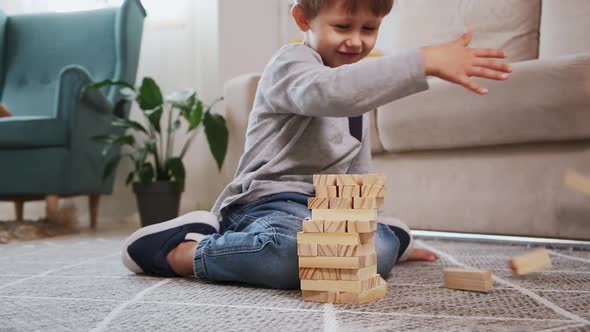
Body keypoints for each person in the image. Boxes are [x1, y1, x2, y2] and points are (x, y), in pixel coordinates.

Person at [121, 0, 511, 289]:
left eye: (369, 29)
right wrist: (421, 61)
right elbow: (329, 94)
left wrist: (366, 226)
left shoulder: (356, 88)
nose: (357, 41)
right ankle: (188, 250)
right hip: (264, 205)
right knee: (293, 257)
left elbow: (357, 170)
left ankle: (390, 234)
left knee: (375, 255)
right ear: (303, 18)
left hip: (325, 211)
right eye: (343, 26)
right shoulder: (291, 64)